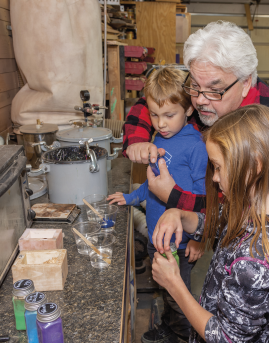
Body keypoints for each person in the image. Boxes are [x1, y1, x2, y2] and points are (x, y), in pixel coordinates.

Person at [122, 21, 269, 343]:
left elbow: (232, 203)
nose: (199, 101)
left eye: (212, 89)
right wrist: (139, 140)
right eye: (193, 87)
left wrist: (175, 197)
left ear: (245, 84)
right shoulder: (210, 97)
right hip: (243, 233)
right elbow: (153, 104)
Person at [151, 104, 269, 343]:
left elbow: (225, 337)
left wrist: (174, 284)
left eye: (217, 167)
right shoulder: (258, 206)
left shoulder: (256, 260)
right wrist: (179, 214)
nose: (214, 178)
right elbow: (221, 224)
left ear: (254, 166)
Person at [108, 67, 208, 343]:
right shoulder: (158, 139)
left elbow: (204, 198)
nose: (161, 123)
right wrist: (129, 198)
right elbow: (152, 184)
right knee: (165, 288)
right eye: (154, 115)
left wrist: (200, 239)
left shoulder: (197, 147)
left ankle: (184, 335)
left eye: (169, 115)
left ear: (188, 109)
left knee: (178, 293)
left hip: (178, 241)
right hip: (156, 237)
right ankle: (169, 326)